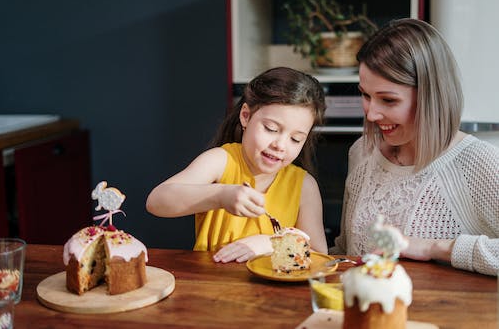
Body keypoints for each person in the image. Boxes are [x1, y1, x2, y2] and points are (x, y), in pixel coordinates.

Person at [330, 18, 499, 276]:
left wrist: (433, 248)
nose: (372, 114)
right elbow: (345, 251)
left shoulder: (479, 163)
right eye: (365, 95)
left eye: (388, 100)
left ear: (430, 96)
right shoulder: (362, 151)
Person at [147, 67, 328, 263]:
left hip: (276, 292)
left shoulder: (304, 186)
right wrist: (220, 195)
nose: (280, 145)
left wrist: (271, 243)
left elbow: (319, 254)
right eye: (271, 129)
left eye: (295, 139)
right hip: (214, 284)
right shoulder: (221, 161)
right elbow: (156, 201)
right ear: (246, 116)